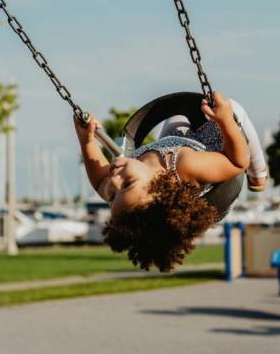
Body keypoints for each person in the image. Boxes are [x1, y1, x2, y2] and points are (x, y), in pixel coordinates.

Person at [75, 92, 268, 273]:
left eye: (112, 196)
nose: (114, 181)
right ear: (166, 181)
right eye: (127, 184)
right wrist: (225, 121)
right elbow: (236, 162)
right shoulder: (187, 165)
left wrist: (87, 142)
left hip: (175, 140)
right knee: (234, 109)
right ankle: (259, 172)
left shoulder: (130, 192)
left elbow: (100, 181)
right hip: (217, 149)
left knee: (177, 115)